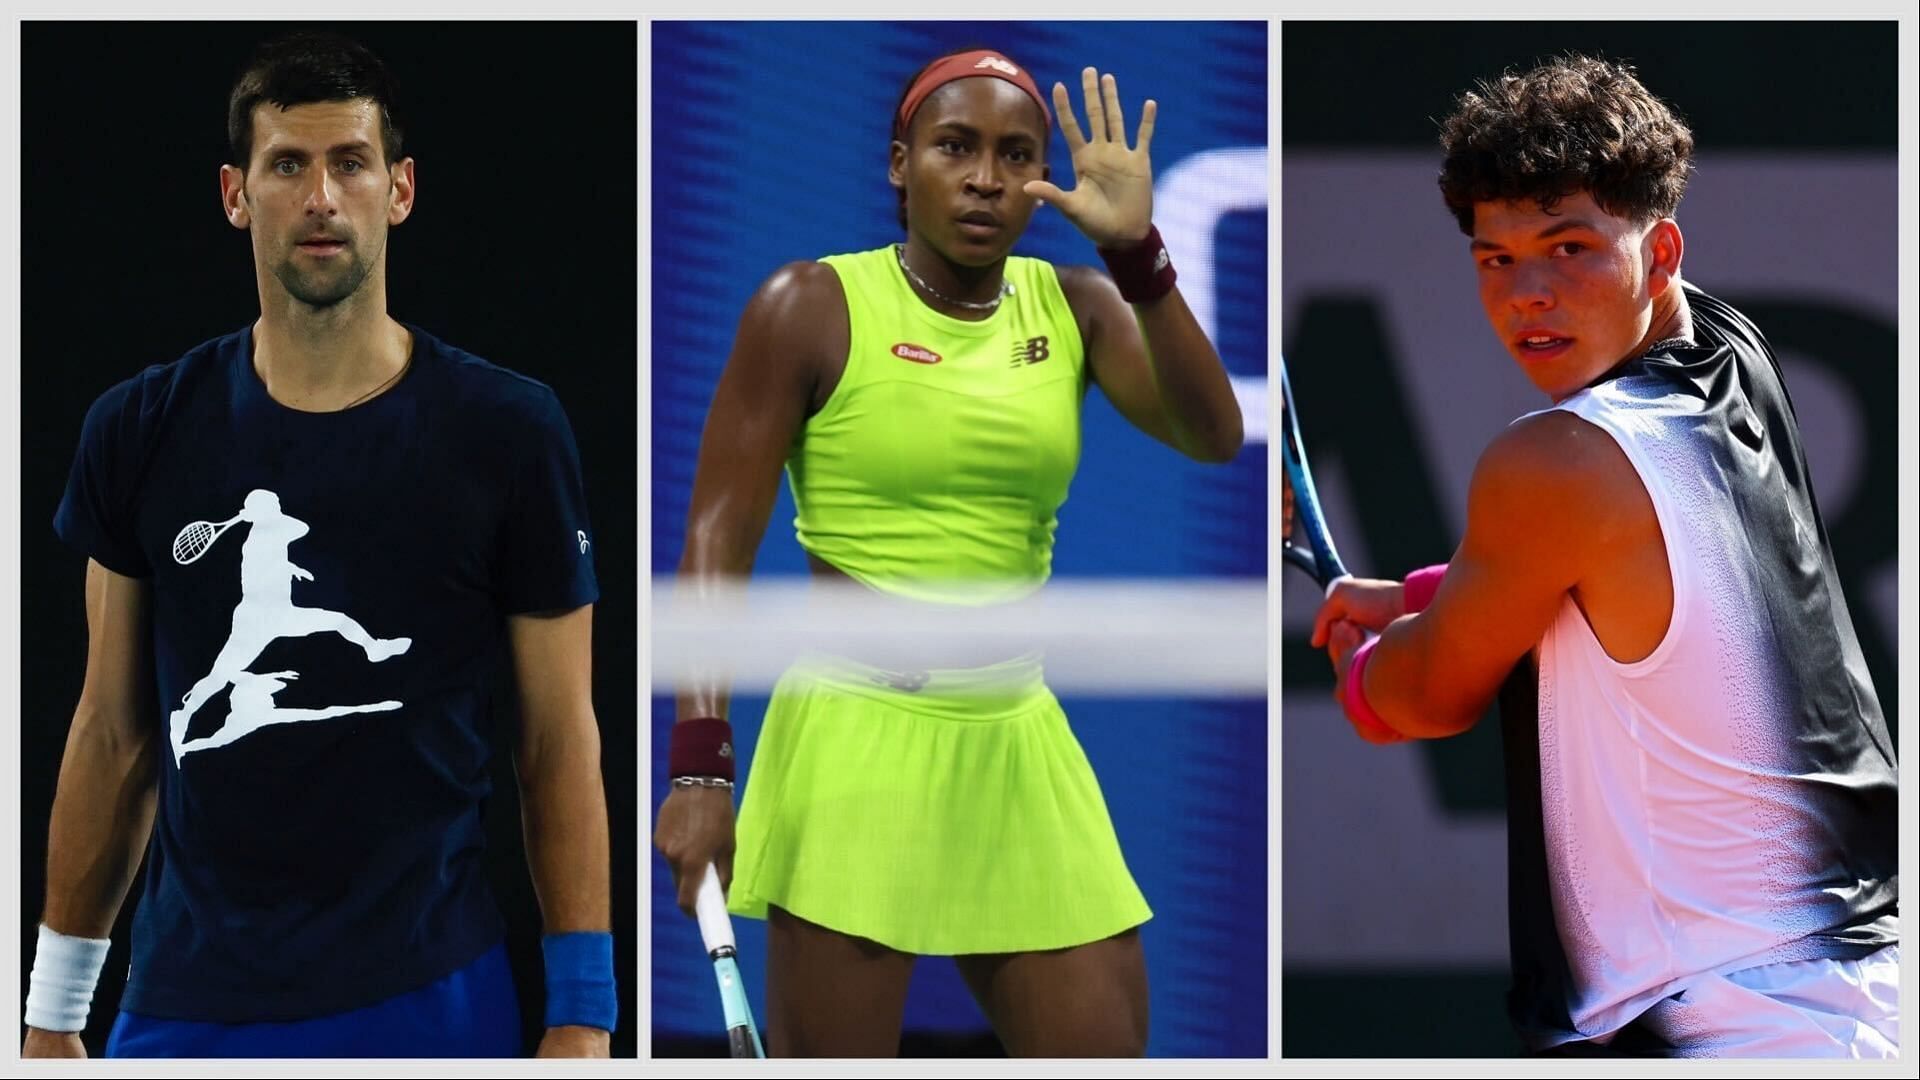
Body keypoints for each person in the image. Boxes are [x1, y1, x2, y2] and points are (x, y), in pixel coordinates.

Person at [22, 31, 614, 1058]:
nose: (322, 196)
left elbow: (557, 739)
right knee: (226, 686)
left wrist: (584, 1013)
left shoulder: (510, 431)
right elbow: (114, 735)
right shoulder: (140, 427)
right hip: (186, 1002)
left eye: (351, 162)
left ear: (401, 189)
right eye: (288, 165)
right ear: (235, 195)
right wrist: (51, 1013)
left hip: (433, 997)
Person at [652, 48, 1243, 1057]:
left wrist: (1139, 252)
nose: (986, 178)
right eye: (956, 147)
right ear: (900, 163)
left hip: (1015, 734)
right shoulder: (808, 306)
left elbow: (1213, 432)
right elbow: (716, 541)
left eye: (1018, 157)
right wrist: (701, 769)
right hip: (854, 739)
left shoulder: (1078, 305)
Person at [1307, 54, 1899, 1057]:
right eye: (1496, 258)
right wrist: (1421, 590)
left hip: (1734, 1026)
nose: (1528, 293)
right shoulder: (1730, 347)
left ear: (1660, 251)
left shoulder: (1557, 459)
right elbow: (1649, 583)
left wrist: (1365, 668)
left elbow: (1424, 697)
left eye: (1570, 246)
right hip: (1863, 994)